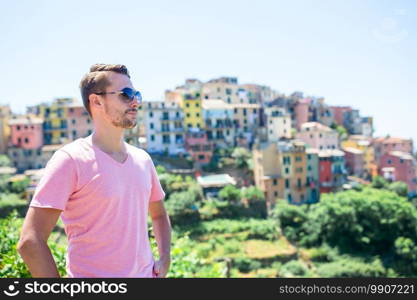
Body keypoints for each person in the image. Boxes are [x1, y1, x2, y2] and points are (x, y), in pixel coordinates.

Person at [18, 64, 171, 278]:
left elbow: (159, 215)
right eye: (126, 94)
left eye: (136, 94)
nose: (135, 101)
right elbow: (30, 241)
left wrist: (165, 258)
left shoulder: (143, 159)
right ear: (96, 101)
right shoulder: (70, 160)